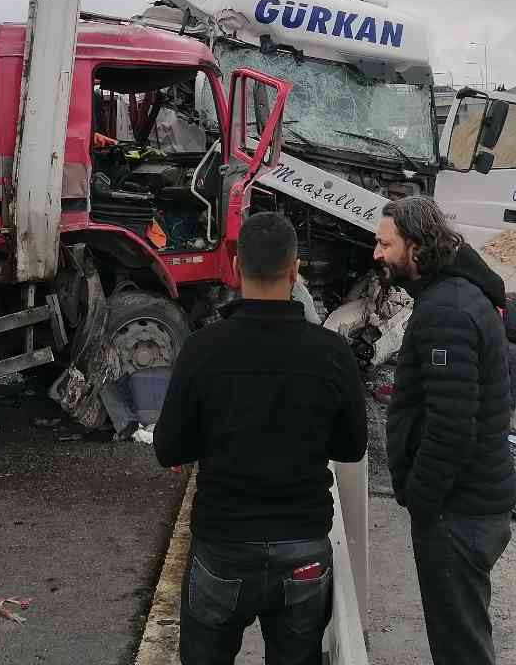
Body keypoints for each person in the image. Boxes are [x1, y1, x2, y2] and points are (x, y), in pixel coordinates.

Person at [155, 213, 367, 665]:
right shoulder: (332, 354)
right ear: (294, 272)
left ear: (234, 268)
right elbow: (351, 448)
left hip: (223, 546)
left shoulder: (202, 350)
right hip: (303, 547)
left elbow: (169, 448)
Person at [375, 196, 516, 665]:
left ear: (415, 247)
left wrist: (421, 499)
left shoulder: (446, 311)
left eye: (385, 243)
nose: (377, 253)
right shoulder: (452, 297)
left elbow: (452, 425)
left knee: (460, 647)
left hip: (458, 512)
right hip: (470, 504)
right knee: (462, 635)